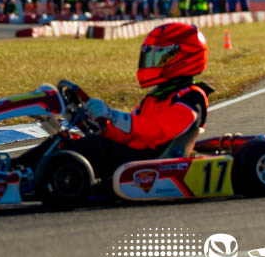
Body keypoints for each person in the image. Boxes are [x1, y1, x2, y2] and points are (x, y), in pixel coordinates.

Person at [54, 24, 214, 185]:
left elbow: (157, 131)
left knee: (92, 146)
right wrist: (101, 126)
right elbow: (128, 133)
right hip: (134, 155)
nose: (153, 62)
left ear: (183, 58)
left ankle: (55, 182)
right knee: (65, 141)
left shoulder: (192, 97)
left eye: (161, 56)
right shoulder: (155, 97)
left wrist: (111, 115)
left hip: (152, 161)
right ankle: (39, 176)